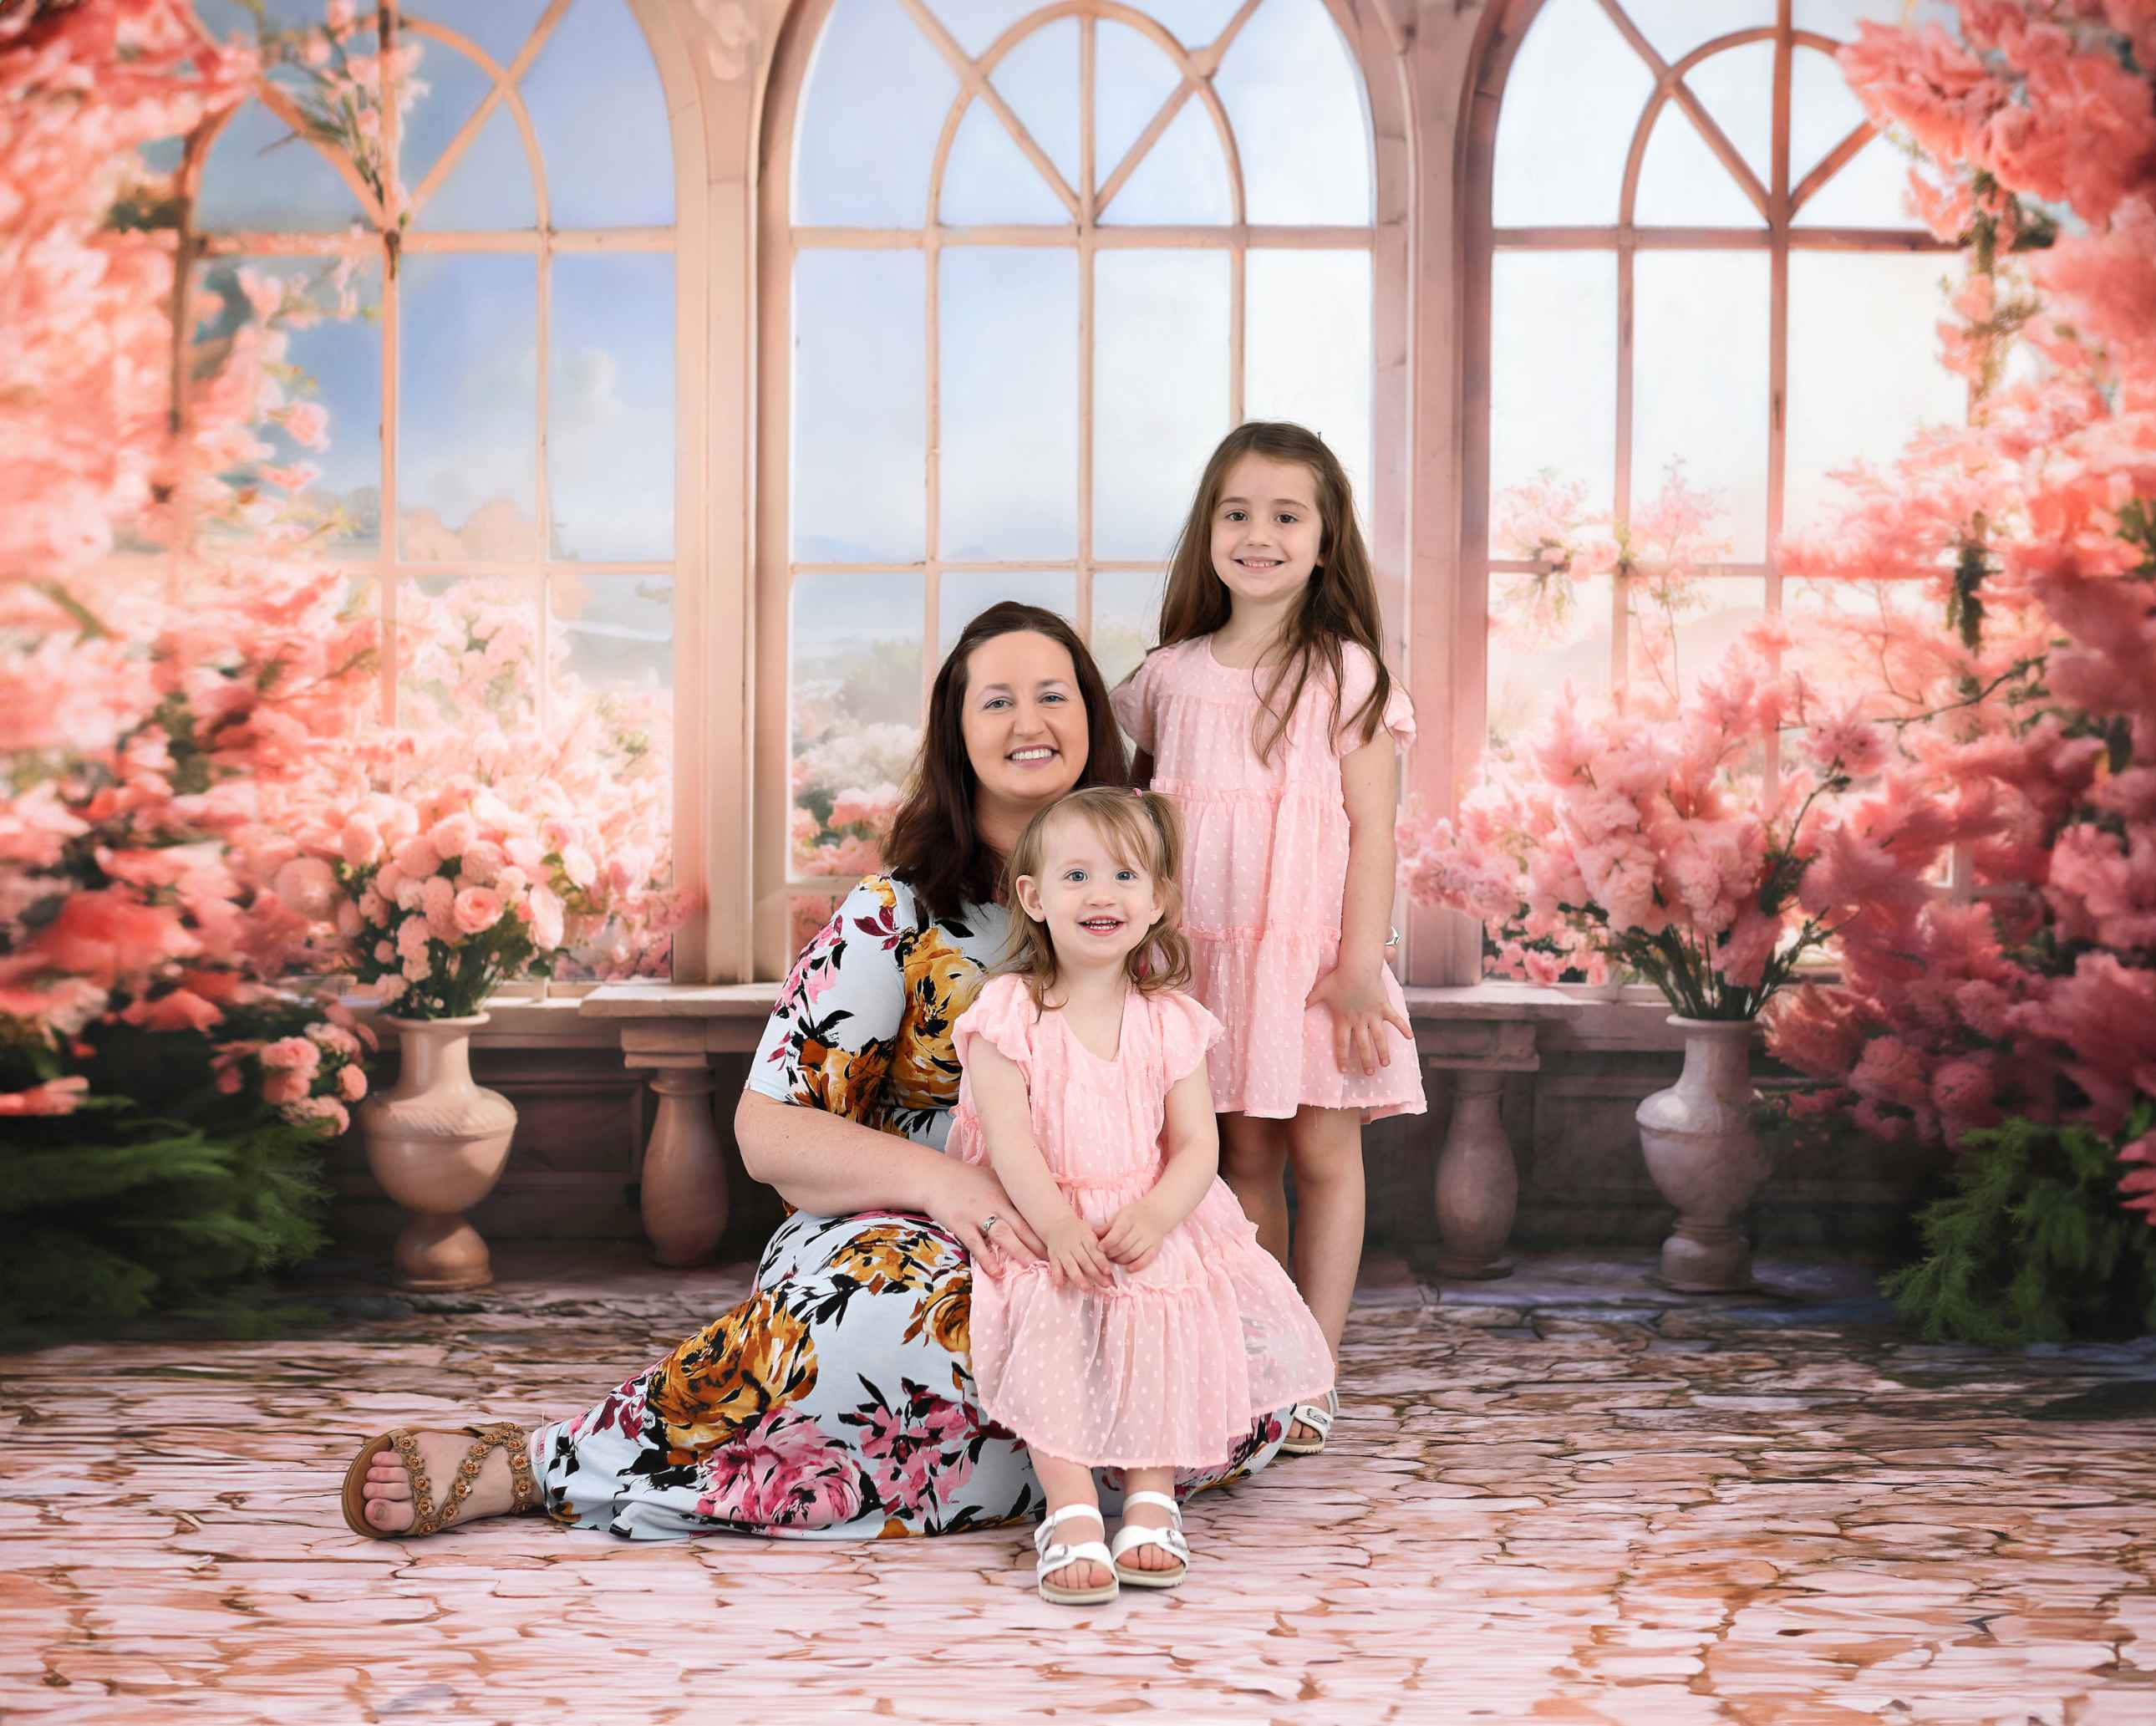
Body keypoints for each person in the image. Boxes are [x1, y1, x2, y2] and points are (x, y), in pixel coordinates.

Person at [343, 603, 1293, 1542]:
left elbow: (1175, 1107)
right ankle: (542, 1464)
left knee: (1227, 1370)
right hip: (912, 1232)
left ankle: (1030, 1469)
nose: (1030, 721)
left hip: (1105, 1233)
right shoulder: (896, 915)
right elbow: (770, 1133)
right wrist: (951, 1183)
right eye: (995, 701)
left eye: (1054, 694)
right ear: (957, 737)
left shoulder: (1137, 902)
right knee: (902, 1332)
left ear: (1092, 717)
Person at [1111, 421, 1426, 1459]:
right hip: (1205, 955)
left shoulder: (1350, 673)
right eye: (1237, 513)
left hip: (1311, 958)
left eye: (1287, 516)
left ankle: (1317, 1371)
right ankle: (1260, 1354)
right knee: (1239, 1148)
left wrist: (1356, 963)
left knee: (1325, 1149)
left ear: (1326, 539)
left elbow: (1373, 826)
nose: (1259, 534)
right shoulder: (1169, 675)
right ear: (1208, 531)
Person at [950, 787, 1332, 1604]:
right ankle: (1072, 1506)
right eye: (1078, 874)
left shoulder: (1170, 1021)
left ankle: (1152, 1494)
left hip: (1144, 1207)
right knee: (1047, 1309)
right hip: (1040, 1209)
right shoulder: (1008, 1013)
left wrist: (1160, 1214)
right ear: (1034, 897)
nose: (1101, 893)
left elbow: (1197, 1144)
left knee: (1165, 1303)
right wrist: (1054, 1224)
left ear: (1156, 901)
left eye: (1126, 874)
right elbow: (1009, 1140)